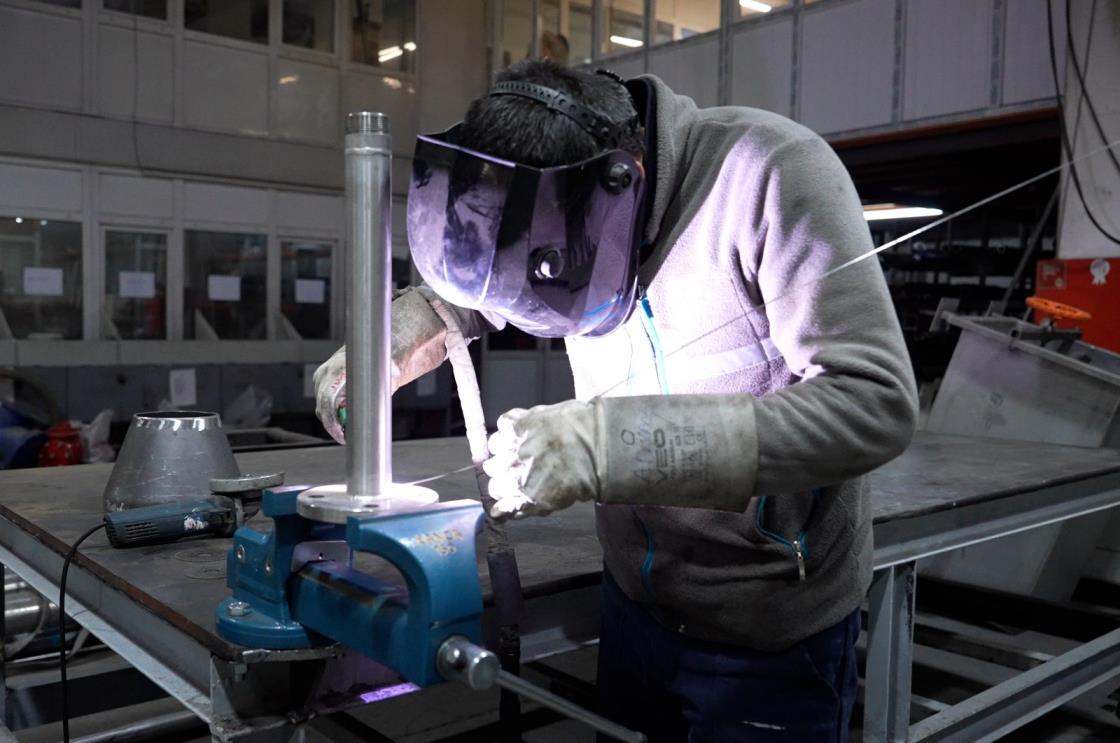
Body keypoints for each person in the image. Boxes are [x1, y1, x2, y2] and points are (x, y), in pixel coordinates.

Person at [315, 59, 918, 742]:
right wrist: (396, 340)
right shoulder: (558, 195)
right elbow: (488, 276)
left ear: (622, 185)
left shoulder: (771, 173)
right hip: (633, 603)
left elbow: (875, 402)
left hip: (771, 622)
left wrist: (608, 444)